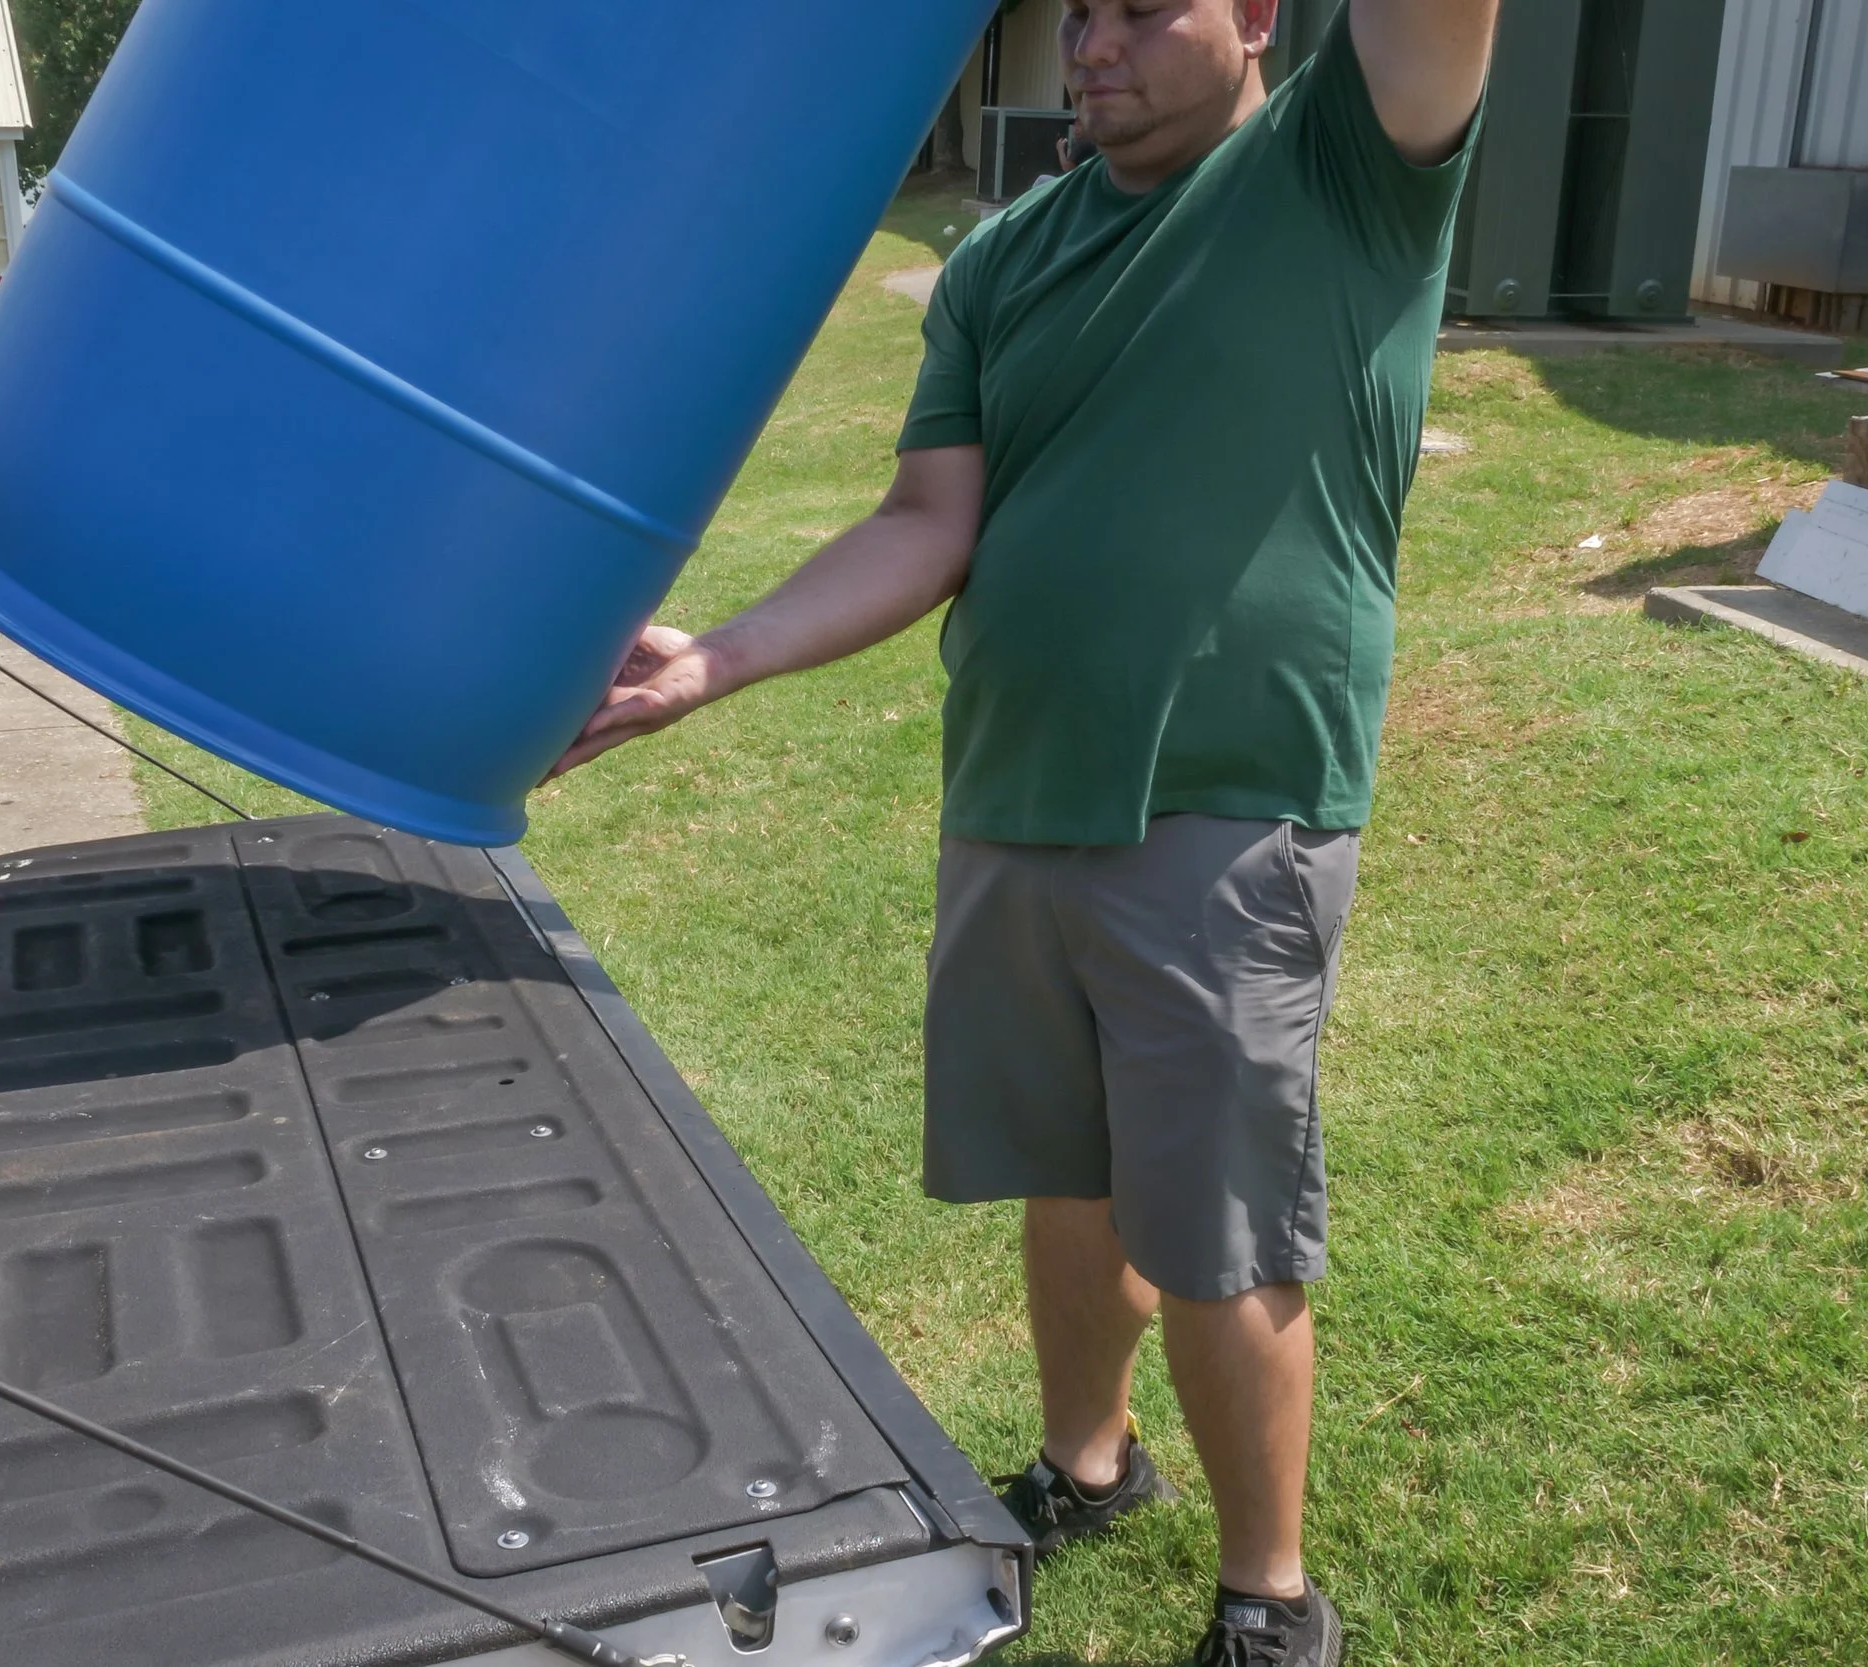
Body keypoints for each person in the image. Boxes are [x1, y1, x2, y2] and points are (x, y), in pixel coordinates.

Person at [554, 2, 1494, 1661]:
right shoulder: (1005, 260)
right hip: (1015, 784)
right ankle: (1088, 1461)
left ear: (1258, 16)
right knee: (1069, 1176)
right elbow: (931, 519)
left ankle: (1270, 1595)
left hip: (1224, 794)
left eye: (1148, 9)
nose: (1099, 44)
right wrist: (718, 659)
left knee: (1215, 1223)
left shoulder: (1341, 166)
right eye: (1083, 14)